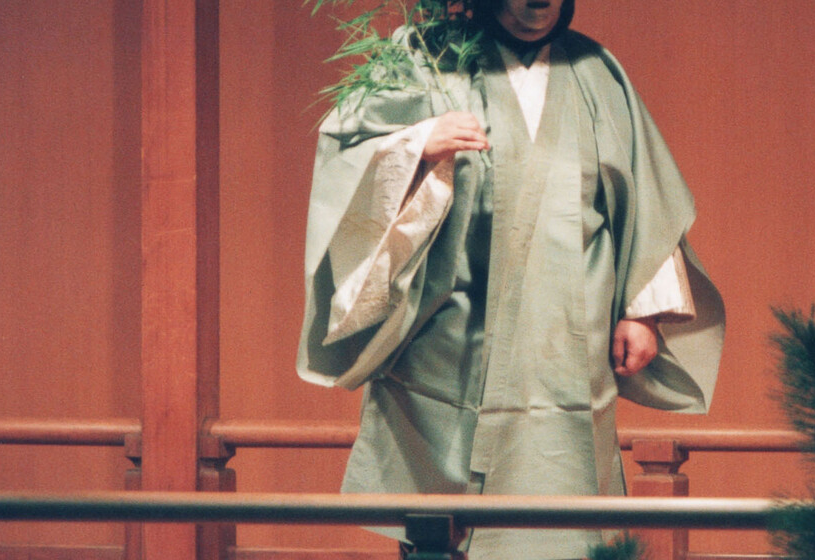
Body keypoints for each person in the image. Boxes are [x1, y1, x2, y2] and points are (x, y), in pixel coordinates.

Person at [297, 1, 724, 558]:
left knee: (566, 528)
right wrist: (417, 145)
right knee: (440, 527)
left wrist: (642, 311)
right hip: (447, 348)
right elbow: (347, 164)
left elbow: (646, 197)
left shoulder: (597, 72)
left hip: (567, 346)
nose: (534, 9)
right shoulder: (426, 57)